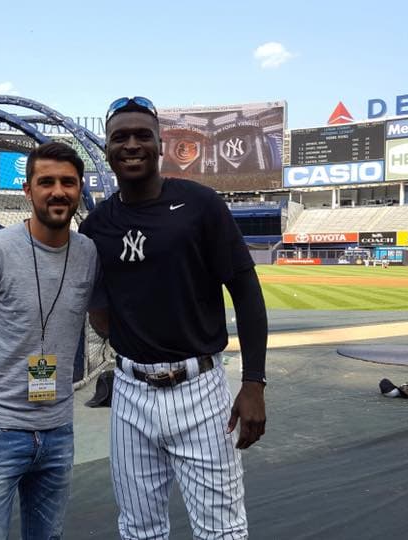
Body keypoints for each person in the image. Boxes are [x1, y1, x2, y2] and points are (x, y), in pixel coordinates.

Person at [79, 96, 268, 538]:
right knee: (139, 529)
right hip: (130, 391)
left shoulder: (202, 205)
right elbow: (98, 310)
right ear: (107, 149)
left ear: (161, 143)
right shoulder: (98, 224)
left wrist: (254, 382)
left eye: (142, 135)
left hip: (200, 389)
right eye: (119, 137)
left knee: (221, 530)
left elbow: (246, 292)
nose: (131, 145)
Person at [0, 142, 97, 539]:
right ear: (28, 190)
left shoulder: (88, 254)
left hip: (58, 429)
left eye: (68, 182)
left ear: (80, 189)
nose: (57, 191)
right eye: (46, 182)